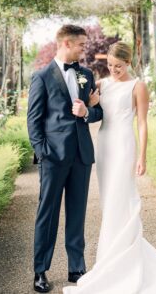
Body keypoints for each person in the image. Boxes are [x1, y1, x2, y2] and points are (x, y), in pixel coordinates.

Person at [63, 41, 156, 294]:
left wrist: (142, 156)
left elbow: (141, 123)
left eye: (118, 66)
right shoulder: (103, 84)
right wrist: (93, 103)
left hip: (124, 146)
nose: (113, 70)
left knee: (123, 201)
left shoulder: (138, 86)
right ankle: (109, 263)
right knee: (109, 203)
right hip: (105, 145)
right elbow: (90, 110)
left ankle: (124, 263)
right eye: (109, 65)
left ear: (128, 63)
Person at [27, 25, 103, 293]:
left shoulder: (86, 74)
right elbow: (33, 120)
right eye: (81, 45)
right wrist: (43, 151)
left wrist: (85, 112)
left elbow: (98, 113)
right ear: (67, 43)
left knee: (77, 212)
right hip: (53, 157)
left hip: (81, 155)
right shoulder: (42, 77)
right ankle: (40, 271)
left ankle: (76, 267)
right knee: (47, 214)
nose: (84, 50)